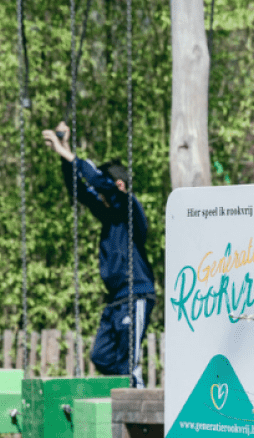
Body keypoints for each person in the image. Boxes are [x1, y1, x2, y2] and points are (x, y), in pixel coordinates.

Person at [42, 121, 156, 387]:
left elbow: (97, 183)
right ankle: (122, 395)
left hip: (135, 294)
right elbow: (80, 191)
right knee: (101, 356)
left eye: (105, 189)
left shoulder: (130, 210)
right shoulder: (108, 216)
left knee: (129, 363)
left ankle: (135, 403)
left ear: (118, 185)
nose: (98, 195)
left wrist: (69, 154)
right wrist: (64, 154)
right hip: (115, 299)